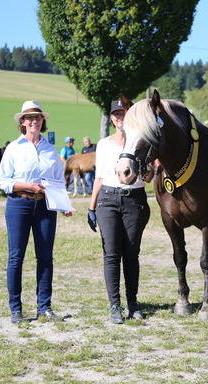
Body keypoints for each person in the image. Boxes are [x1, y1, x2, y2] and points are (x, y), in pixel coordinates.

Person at [0, 100, 72, 324]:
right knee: (16, 257)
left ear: (42, 121)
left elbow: (58, 182)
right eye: (29, 118)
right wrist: (28, 187)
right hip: (19, 204)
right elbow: (3, 180)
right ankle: (16, 309)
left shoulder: (50, 150)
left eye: (37, 117)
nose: (33, 121)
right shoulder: (13, 148)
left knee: (46, 257)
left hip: (46, 207)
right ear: (22, 122)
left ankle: (44, 307)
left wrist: (64, 204)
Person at [87, 99, 152, 324]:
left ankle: (133, 302)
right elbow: (99, 177)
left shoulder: (142, 142)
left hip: (134, 200)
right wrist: (91, 206)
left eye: (122, 113)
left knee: (132, 254)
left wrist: (148, 171)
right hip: (108, 199)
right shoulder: (104, 144)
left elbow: (150, 176)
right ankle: (115, 305)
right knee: (112, 254)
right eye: (115, 114)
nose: (118, 117)